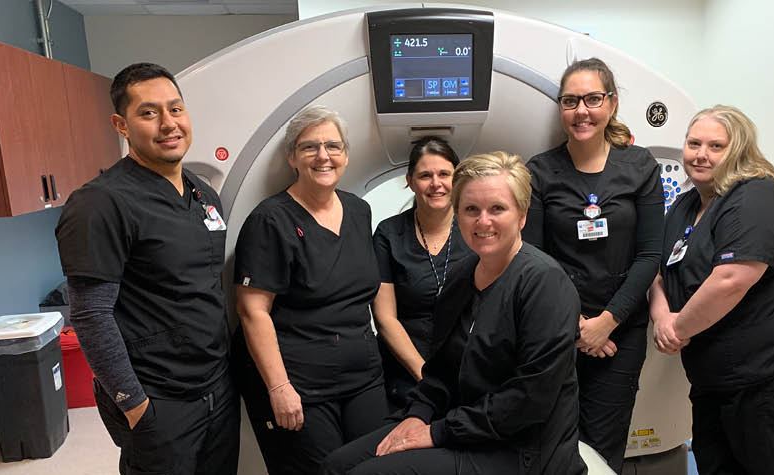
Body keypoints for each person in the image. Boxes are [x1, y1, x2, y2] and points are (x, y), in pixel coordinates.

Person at [320, 152, 586, 475]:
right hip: (464, 425)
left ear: (522, 216)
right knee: (335, 466)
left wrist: (435, 432)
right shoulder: (462, 277)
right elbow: (441, 372)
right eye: (471, 209)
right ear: (457, 214)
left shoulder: (544, 285)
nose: (482, 221)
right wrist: (418, 415)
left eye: (497, 208)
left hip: (520, 449)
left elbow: (527, 401)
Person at [55, 62, 239, 475]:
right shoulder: (100, 204)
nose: (169, 124)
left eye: (176, 109)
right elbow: (90, 314)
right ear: (121, 125)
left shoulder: (203, 194)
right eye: (149, 113)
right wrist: (134, 405)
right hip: (159, 399)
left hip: (216, 388)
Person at [648, 105, 774, 474]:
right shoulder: (686, 205)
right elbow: (659, 273)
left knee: (773, 463)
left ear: (739, 151)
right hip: (715, 369)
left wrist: (677, 328)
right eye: (694, 143)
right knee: (715, 460)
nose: (701, 154)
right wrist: (661, 318)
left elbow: (731, 280)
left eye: (716, 146)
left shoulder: (758, 198)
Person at [523, 57, 664, 473]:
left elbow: (650, 255)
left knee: (603, 446)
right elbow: (535, 258)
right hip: (555, 328)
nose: (581, 110)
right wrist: (578, 325)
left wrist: (607, 321)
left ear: (612, 104)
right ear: (560, 108)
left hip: (621, 332)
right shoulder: (540, 171)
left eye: (592, 99)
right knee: (550, 437)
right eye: (570, 101)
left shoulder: (640, 166)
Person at [231, 105, 387, 474]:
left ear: (346, 154)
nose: (323, 156)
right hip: (300, 383)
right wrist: (279, 388)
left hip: (363, 377)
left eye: (333, 146)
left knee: (379, 465)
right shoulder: (269, 220)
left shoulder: (359, 210)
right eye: (309, 147)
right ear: (292, 157)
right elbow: (252, 311)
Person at [372, 136, 472, 410]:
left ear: (457, 178)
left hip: (468, 368)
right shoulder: (388, 234)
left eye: (444, 174)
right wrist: (425, 375)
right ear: (410, 181)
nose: (436, 183)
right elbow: (385, 318)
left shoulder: (477, 228)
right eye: (425, 175)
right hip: (406, 368)